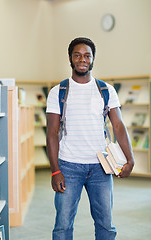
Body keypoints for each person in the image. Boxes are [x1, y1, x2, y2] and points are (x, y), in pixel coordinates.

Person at [46, 37, 134, 240]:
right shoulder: (58, 92)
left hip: (101, 168)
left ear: (93, 59)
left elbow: (118, 126)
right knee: (62, 226)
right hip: (68, 167)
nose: (82, 59)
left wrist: (130, 159)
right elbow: (52, 132)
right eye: (77, 55)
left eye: (87, 55)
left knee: (105, 225)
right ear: (70, 58)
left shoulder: (106, 90)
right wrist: (55, 170)